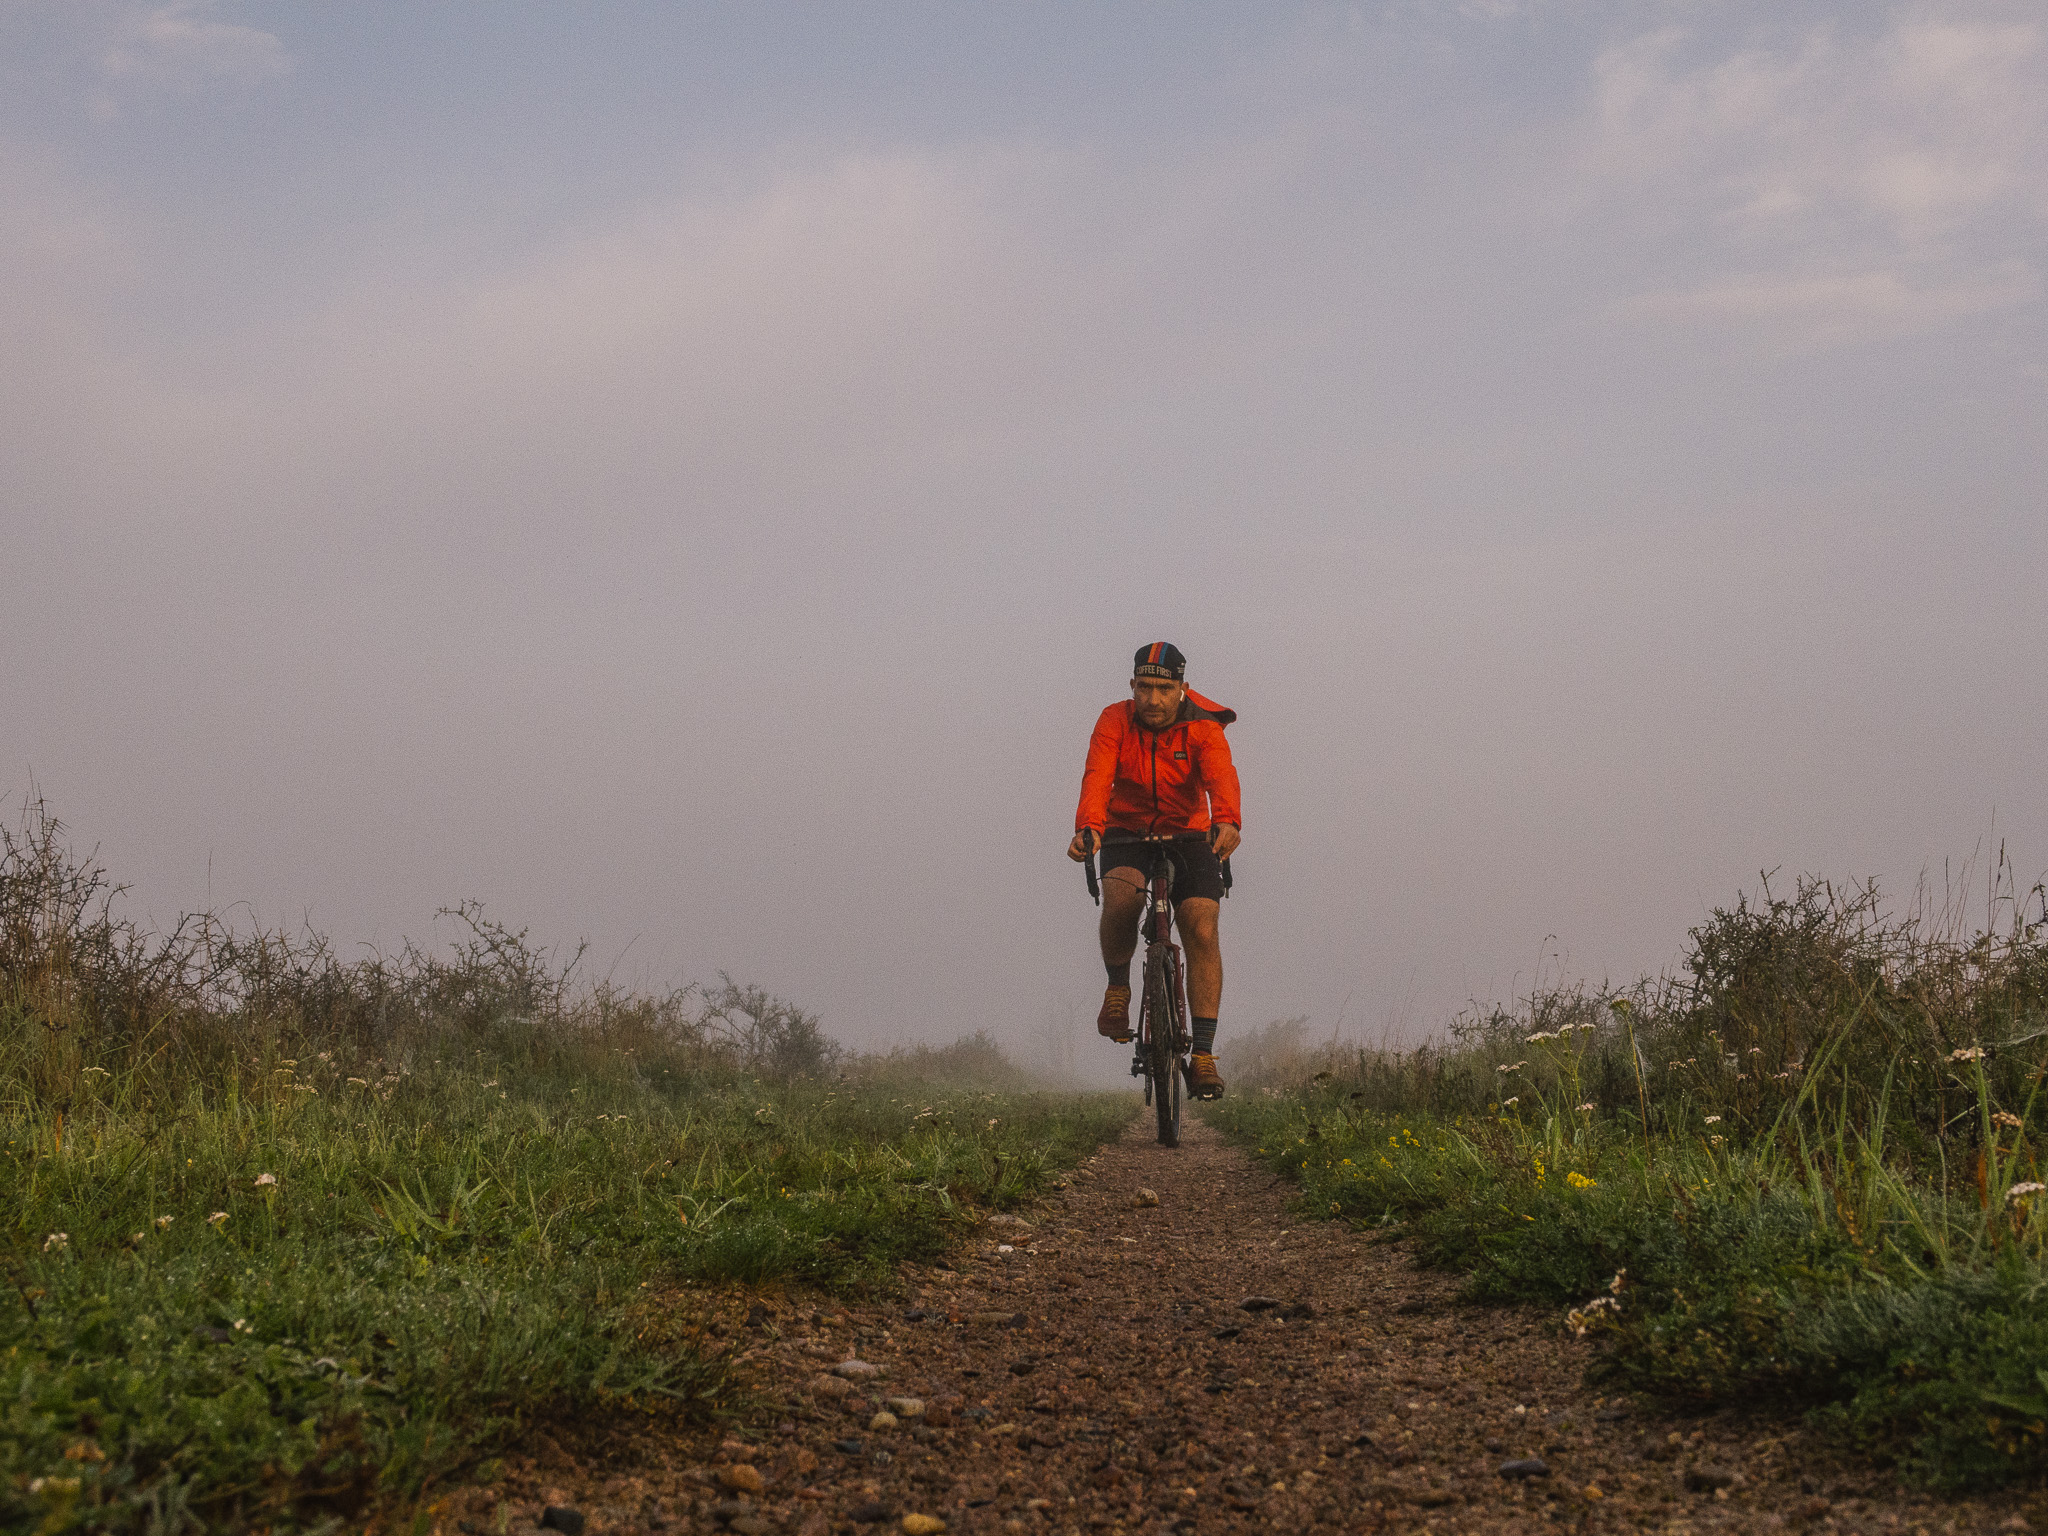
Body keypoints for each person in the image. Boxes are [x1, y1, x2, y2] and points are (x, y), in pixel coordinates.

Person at [1066, 642, 1241, 1100]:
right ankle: (1118, 990)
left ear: (1183, 688)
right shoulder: (1114, 721)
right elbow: (1097, 776)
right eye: (1144, 687)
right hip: (1125, 829)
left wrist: (1228, 820)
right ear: (1132, 686)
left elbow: (1221, 776)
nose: (1153, 699)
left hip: (1189, 833)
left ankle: (1203, 1054)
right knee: (1121, 899)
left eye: (1164, 689)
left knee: (1201, 927)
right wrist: (1089, 827)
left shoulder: (1201, 726)